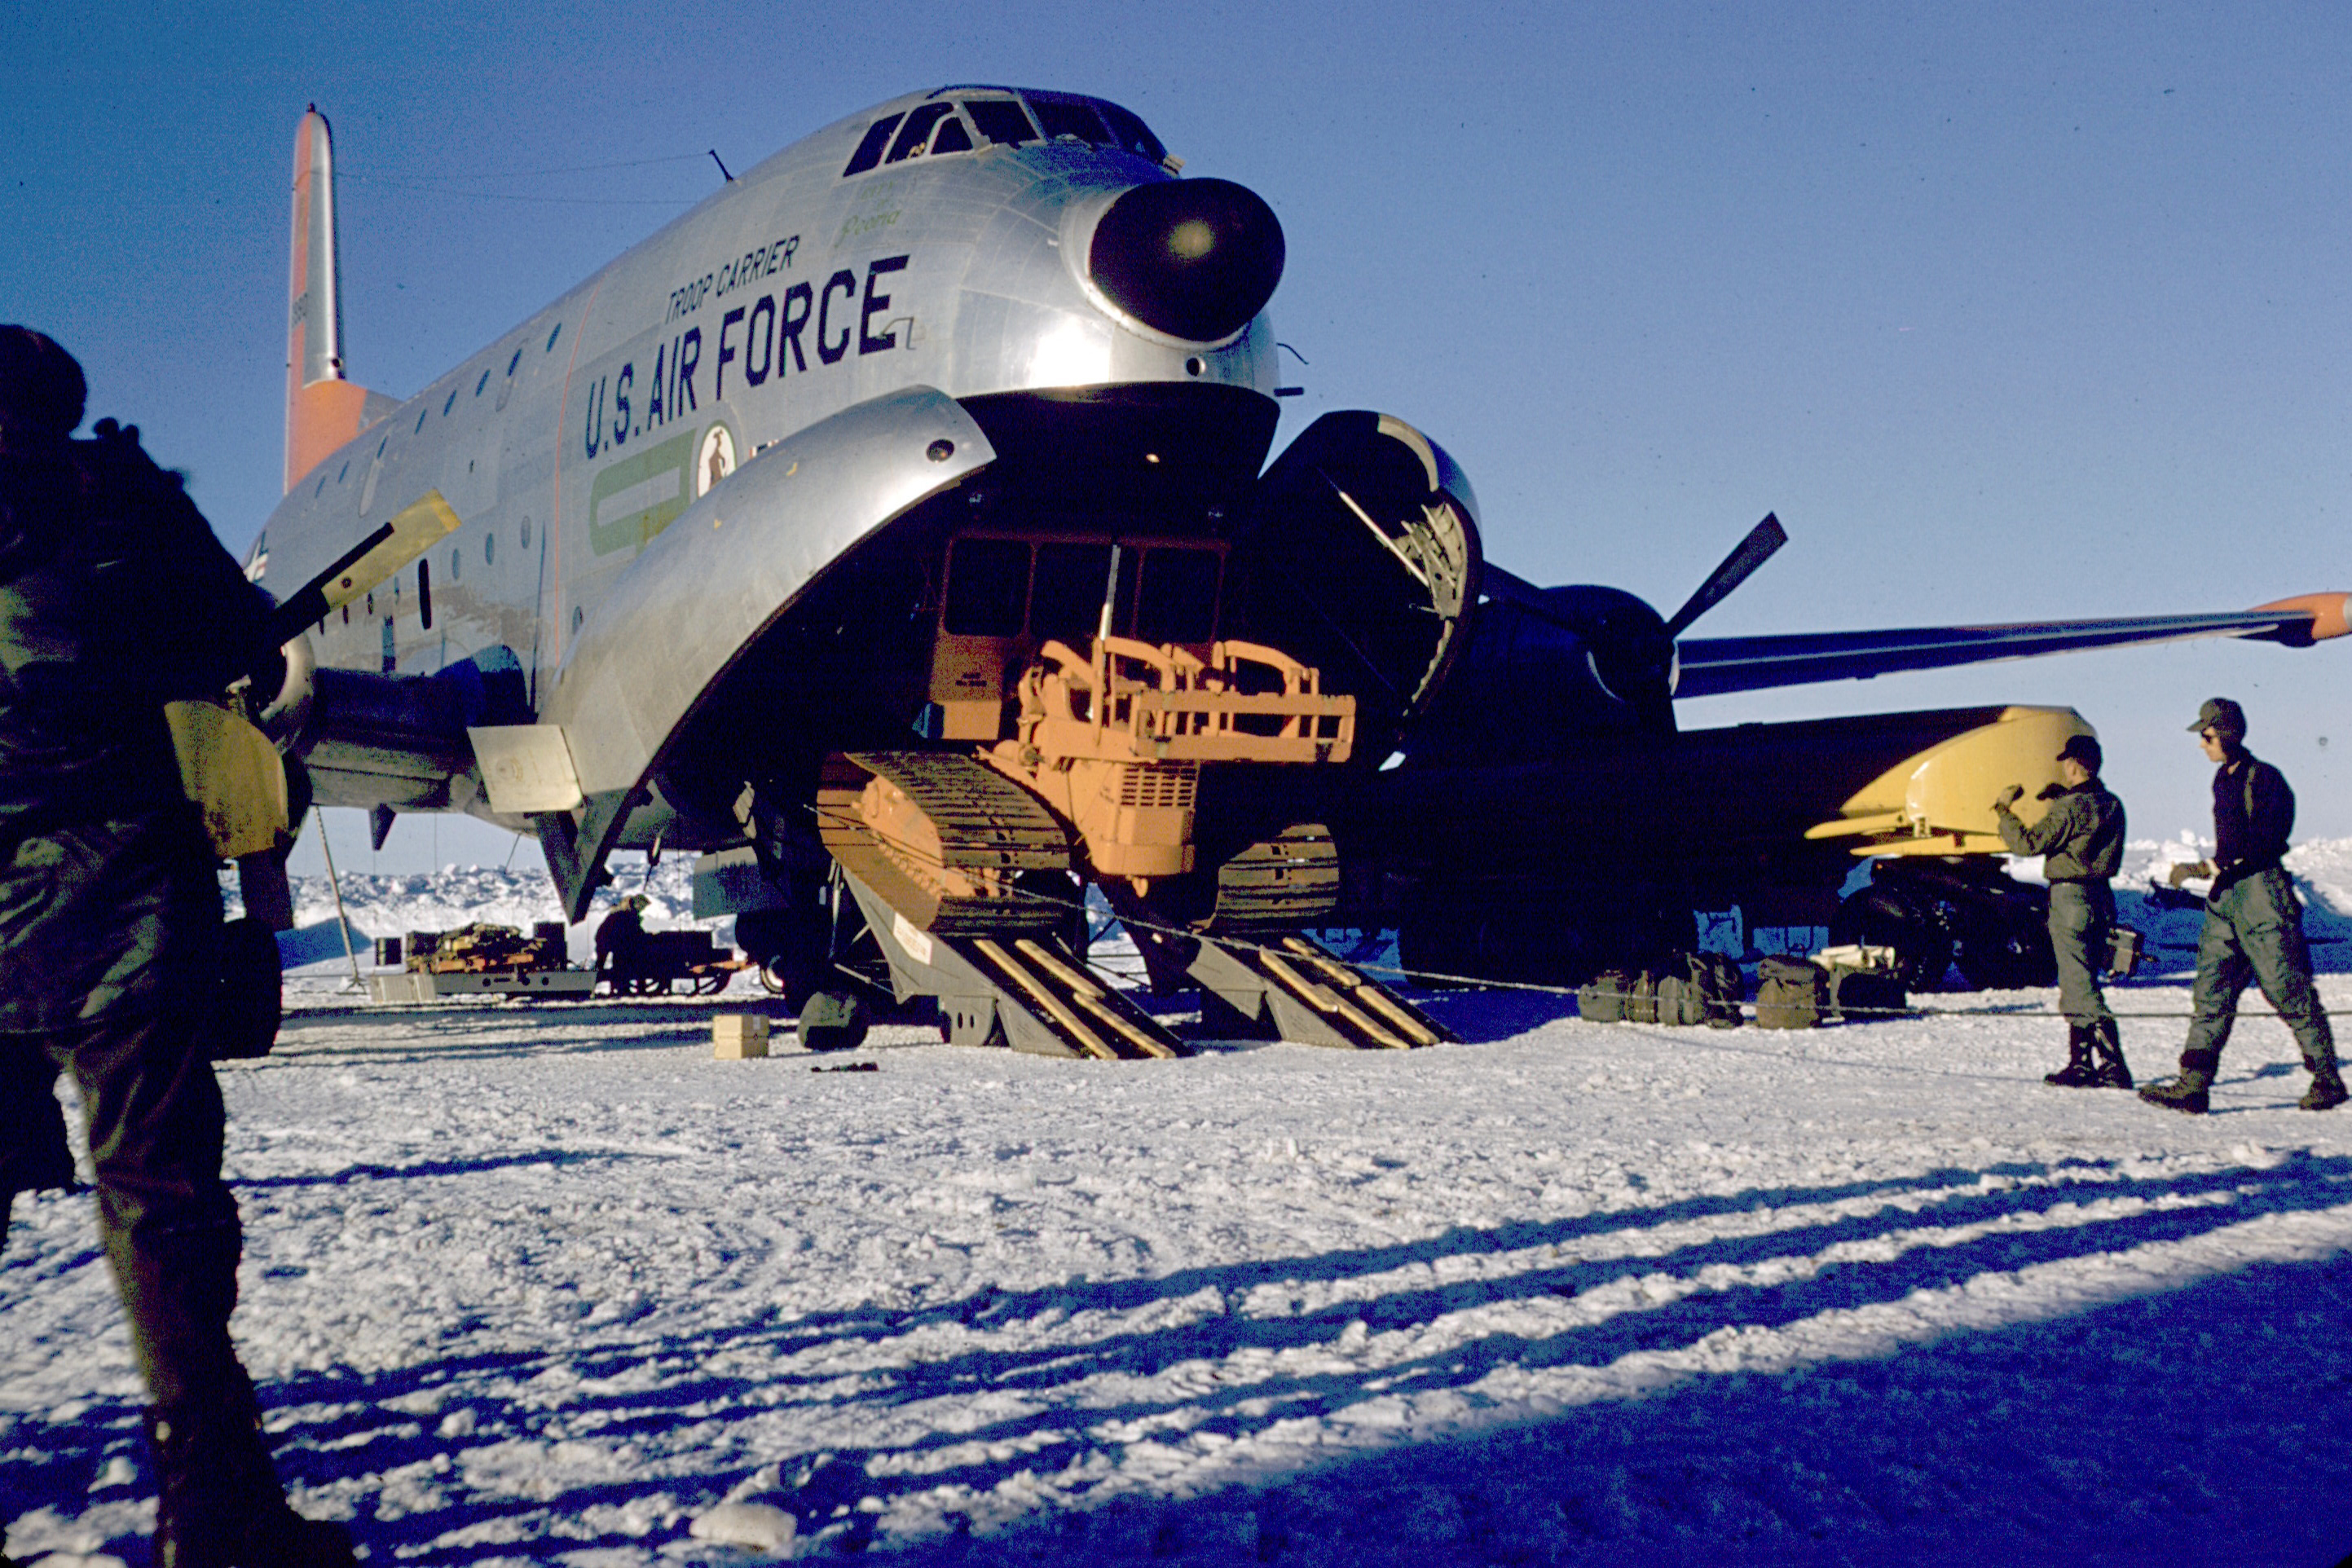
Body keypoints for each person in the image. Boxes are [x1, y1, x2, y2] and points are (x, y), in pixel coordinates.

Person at [0, 328, 356, 1566]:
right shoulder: (113, 496)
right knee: (162, 1211)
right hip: (121, 911)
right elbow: (240, 649)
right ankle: (214, 1514)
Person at [2140, 697, 2345, 1114]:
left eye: (2208, 735)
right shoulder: (2223, 779)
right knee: (2211, 990)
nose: (2203, 744)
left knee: (2287, 988)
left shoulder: (2264, 778)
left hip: (2261, 895)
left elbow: (2267, 839)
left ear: (2227, 734)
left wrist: (2208, 865)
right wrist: (2216, 871)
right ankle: (2192, 1085)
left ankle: (2328, 1080)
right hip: (2228, 897)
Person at [1994, 732, 2130, 1087]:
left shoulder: (2070, 807)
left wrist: (2003, 810)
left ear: (2072, 765)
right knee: (2081, 980)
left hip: (2070, 900)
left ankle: (2113, 1067)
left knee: (2078, 984)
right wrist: (2062, 800)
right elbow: (2086, 829)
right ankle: (2081, 1065)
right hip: (2101, 898)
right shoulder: (2113, 803)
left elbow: (2028, 843)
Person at [595, 892, 651, 990]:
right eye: (642, 907)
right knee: (621, 963)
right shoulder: (625, 915)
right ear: (637, 905)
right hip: (609, 942)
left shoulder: (623, 911)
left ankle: (619, 986)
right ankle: (621, 987)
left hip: (609, 941)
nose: (643, 910)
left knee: (614, 964)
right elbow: (633, 932)